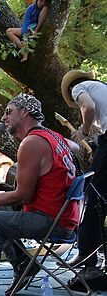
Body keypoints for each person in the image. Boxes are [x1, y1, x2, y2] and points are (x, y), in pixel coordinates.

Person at [0, 94, 78, 296]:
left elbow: (23, 196)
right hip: (65, 217)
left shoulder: (31, 143)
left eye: (9, 111)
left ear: (25, 112)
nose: (4, 117)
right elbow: (75, 147)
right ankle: (23, 262)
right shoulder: (52, 136)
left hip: (51, 221)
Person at [59, 70, 107, 268]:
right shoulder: (101, 88)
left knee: (93, 194)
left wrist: (84, 132)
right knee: (102, 196)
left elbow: (88, 106)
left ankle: (87, 254)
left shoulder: (80, 88)